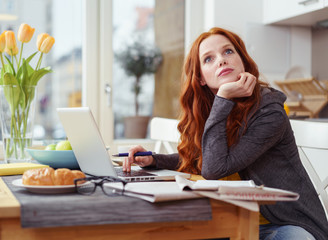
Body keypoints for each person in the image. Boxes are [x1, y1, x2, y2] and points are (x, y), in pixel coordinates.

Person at [122, 27, 328, 240]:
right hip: (233, 220)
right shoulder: (216, 112)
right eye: (209, 59)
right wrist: (153, 159)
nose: (221, 60)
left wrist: (223, 97)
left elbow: (215, 169)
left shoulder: (270, 112)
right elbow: (204, 159)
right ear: (201, 78)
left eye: (228, 52)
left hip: (287, 225)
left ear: (243, 62)